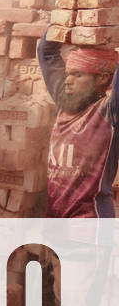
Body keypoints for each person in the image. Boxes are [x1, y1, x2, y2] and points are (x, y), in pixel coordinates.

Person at [37, 39, 119, 218]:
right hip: (55, 221)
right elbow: (46, 51)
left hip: (89, 226)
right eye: (67, 74)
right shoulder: (66, 104)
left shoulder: (109, 111)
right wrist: (69, 19)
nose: (67, 81)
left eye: (78, 74)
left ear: (103, 78)